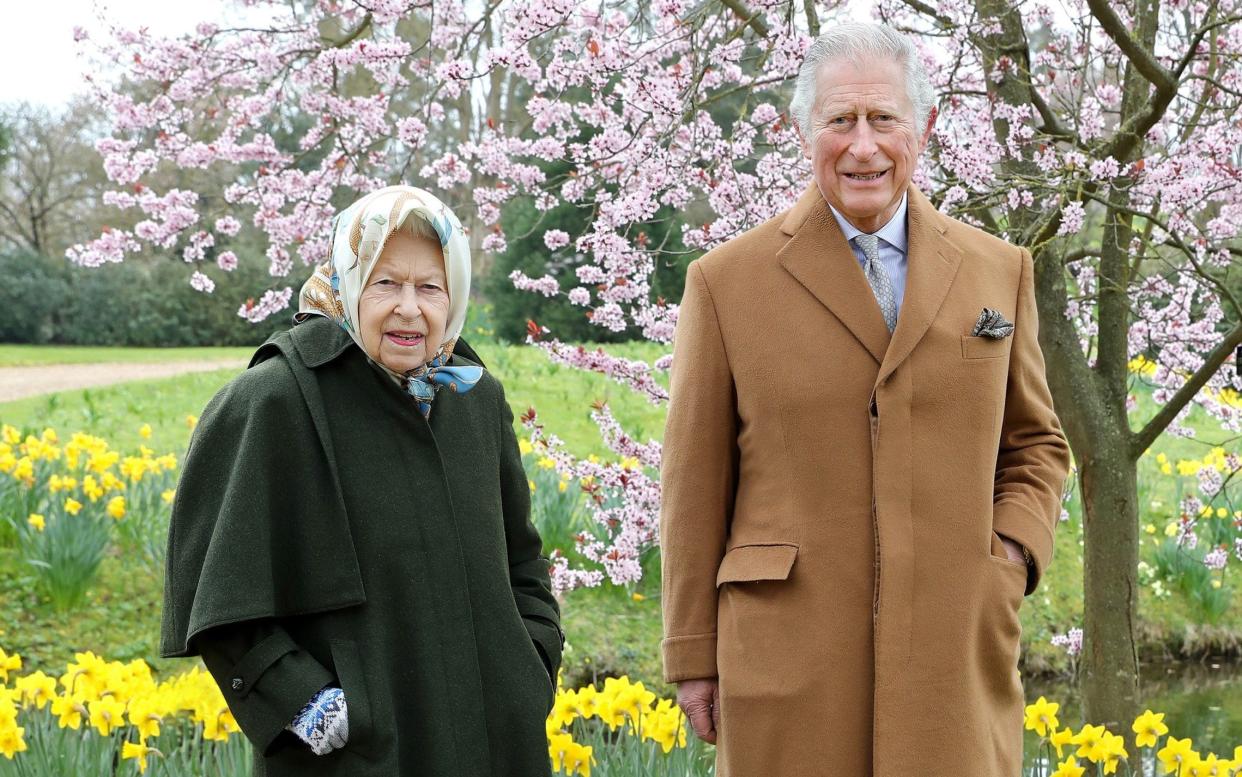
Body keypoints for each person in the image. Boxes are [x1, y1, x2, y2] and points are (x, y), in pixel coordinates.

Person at [659, 21, 1071, 777]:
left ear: (926, 127)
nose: (863, 146)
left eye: (884, 119)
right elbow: (693, 482)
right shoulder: (725, 283)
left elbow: (1037, 444)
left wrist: (1008, 555)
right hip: (789, 655)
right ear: (802, 130)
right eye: (839, 121)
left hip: (955, 648)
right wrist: (691, 651)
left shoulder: (998, 271)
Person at [161, 185, 562, 776]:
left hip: (497, 736)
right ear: (348, 281)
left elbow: (521, 562)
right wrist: (306, 703)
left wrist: (530, 662)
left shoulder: (474, 398)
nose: (409, 308)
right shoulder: (274, 399)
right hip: (358, 755)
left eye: (430, 287)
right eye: (386, 283)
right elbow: (216, 592)